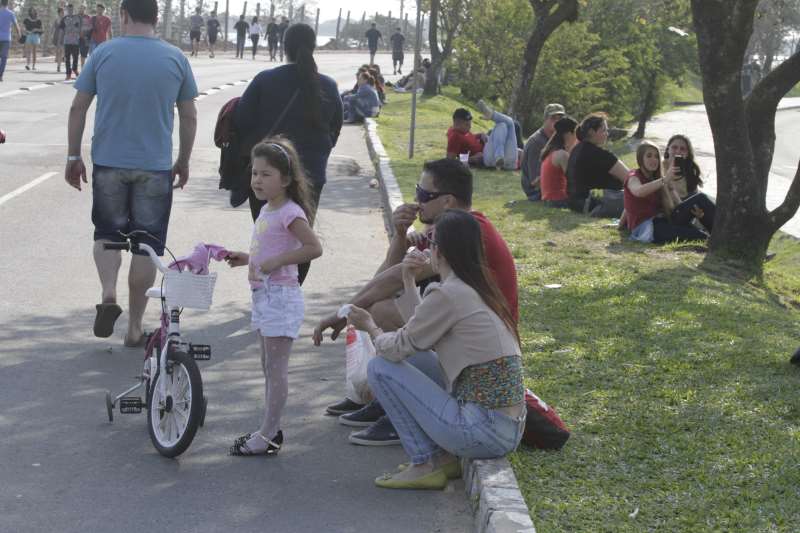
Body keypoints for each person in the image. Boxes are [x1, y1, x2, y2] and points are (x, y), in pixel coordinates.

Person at [314, 160, 519, 446]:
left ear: (447, 201)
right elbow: (393, 276)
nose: (416, 201)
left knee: (382, 342)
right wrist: (400, 236)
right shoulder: (455, 232)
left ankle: (403, 415)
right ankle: (393, 400)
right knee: (385, 312)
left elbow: (392, 283)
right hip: (488, 395)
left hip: (478, 386)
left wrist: (348, 315)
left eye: (423, 194)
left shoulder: (461, 238)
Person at [344, 209, 524, 490]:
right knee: (418, 356)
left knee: (380, 367)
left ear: (441, 251)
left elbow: (395, 349)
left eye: (430, 242)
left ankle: (423, 462)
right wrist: (408, 279)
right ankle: (443, 457)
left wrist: (370, 326)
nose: (426, 249)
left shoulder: (450, 293)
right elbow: (419, 332)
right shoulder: (473, 287)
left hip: (483, 433)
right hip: (503, 430)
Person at [65, 0, 198, 346]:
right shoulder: (176, 58)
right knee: (146, 246)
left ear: (123, 15)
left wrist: (73, 156)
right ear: (157, 17)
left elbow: (78, 108)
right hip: (154, 167)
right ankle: (135, 328)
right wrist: (183, 160)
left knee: (106, 234)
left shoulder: (103, 53)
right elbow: (188, 115)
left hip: (109, 162)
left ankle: (108, 293)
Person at [225, 137, 323, 456]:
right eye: (255, 173)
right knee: (268, 366)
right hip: (264, 296)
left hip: (281, 298)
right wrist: (247, 259)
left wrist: (278, 261)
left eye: (266, 174)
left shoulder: (290, 212)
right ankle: (270, 429)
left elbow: (313, 248)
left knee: (276, 369)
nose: (257, 180)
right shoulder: (268, 209)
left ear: (286, 178)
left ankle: (267, 435)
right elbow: (269, 250)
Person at [235, 23, 343, 283]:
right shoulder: (328, 85)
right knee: (302, 238)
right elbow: (335, 129)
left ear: (285, 47)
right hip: (310, 176)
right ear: (313, 47)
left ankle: (270, 294)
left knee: (268, 236)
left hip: (268, 173)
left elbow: (241, 120)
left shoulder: (265, 80)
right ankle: (291, 292)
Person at [624, 142, 706, 244]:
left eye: (656, 157)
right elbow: (638, 192)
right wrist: (665, 179)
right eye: (649, 156)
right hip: (648, 228)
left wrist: (694, 213)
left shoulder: (658, 178)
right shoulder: (633, 176)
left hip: (664, 220)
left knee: (701, 199)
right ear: (640, 158)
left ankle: (718, 232)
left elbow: (679, 206)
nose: (653, 160)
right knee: (699, 236)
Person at [566, 113, 629, 216]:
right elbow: (629, 177)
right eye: (604, 130)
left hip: (575, 204)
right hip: (594, 204)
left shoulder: (576, 150)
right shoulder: (599, 154)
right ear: (591, 132)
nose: (607, 134)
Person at [660, 134, 716, 234]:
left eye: (682, 149)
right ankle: (722, 231)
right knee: (701, 197)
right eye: (674, 147)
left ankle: (718, 233)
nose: (678, 151)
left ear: (687, 154)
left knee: (701, 205)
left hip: (684, 212)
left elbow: (693, 197)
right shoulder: (659, 167)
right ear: (668, 149)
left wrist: (699, 213)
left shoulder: (689, 172)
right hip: (666, 214)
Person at [446, 101, 519, 170]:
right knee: (507, 123)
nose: (470, 127)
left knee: (503, 125)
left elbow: (468, 140)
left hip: (493, 153)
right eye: (467, 125)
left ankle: (499, 156)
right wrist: (472, 159)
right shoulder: (454, 136)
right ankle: (492, 115)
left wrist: (480, 135)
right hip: (486, 156)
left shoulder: (461, 131)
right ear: (457, 122)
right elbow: (449, 161)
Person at [520, 103, 565, 201]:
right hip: (537, 193)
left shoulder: (559, 138)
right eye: (553, 118)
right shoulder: (536, 142)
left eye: (560, 119)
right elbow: (535, 181)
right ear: (545, 119)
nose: (557, 122)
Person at [539, 116, 578, 208]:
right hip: (559, 201)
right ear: (568, 134)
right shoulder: (562, 154)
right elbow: (574, 180)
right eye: (576, 134)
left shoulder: (551, 151)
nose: (577, 139)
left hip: (550, 200)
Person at [0, 0, 21, 82]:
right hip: (6, 38)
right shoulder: (11, 13)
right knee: (4, 57)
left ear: (1, 3)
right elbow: (16, 25)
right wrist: (19, 34)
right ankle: (0, 75)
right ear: (7, 3)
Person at [60, 4, 82, 80]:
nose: (70, 11)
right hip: (67, 41)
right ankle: (68, 74)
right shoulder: (64, 18)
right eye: (69, 9)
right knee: (67, 58)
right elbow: (61, 30)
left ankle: (75, 69)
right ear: (67, 10)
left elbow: (80, 28)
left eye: (71, 9)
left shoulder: (78, 18)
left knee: (75, 57)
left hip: (75, 41)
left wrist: (81, 37)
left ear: (73, 9)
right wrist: (60, 40)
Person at [51, 6, 65, 73]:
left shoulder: (65, 19)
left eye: (63, 12)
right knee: (58, 51)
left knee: (61, 51)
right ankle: (58, 65)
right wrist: (51, 34)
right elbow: (53, 27)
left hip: (63, 36)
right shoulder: (56, 19)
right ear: (59, 13)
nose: (63, 13)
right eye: (61, 12)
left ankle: (59, 65)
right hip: (57, 36)